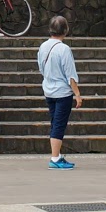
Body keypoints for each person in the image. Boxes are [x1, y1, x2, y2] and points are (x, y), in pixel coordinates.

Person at [36, 15, 83, 169]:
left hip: (48, 90)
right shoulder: (64, 49)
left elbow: (41, 68)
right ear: (65, 30)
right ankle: (55, 158)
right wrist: (77, 94)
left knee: (54, 121)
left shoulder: (43, 47)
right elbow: (71, 75)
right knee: (59, 124)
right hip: (62, 92)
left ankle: (57, 154)